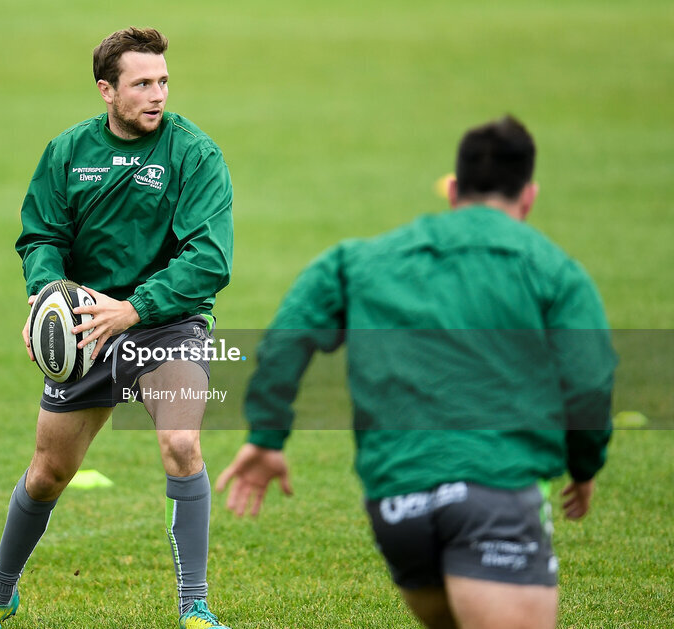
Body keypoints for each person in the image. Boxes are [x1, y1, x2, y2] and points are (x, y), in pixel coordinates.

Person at [216, 116, 615, 629]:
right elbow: (590, 382)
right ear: (530, 198)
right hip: (492, 495)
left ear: (452, 191)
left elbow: (286, 336)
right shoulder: (553, 270)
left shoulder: (359, 259)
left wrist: (268, 435)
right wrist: (584, 466)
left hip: (397, 506)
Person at [0, 27, 234, 629]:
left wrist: (134, 308)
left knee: (181, 445)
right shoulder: (68, 153)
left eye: (162, 81)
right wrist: (45, 300)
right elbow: (42, 237)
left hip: (168, 323)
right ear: (107, 90)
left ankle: (195, 607)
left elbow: (209, 258)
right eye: (141, 83)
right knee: (48, 473)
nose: (157, 94)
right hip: (85, 330)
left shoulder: (194, 154)